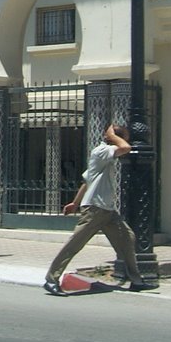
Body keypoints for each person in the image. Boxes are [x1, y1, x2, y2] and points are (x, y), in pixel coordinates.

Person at [43, 123, 159, 295]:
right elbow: (125, 148)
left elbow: (87, 180)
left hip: (107, 210)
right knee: (75, 244)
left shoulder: (105, 157)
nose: (125, 140)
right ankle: (51, 279)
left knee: (127, 237)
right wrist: (112, 135)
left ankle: (135, 280)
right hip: (95, 210)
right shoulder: (101, 151)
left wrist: (74, 204)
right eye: (122, 136)